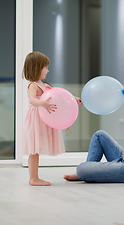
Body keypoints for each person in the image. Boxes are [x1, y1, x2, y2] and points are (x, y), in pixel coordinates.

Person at [22, 51, 82, 186]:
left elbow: (59, 95)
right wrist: (42, 103)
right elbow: (32, 99)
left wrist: (73, 99)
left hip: (43, 119)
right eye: (46, 68)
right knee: (34, 150)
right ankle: (33, 178)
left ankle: (34, 177)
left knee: (37, 149)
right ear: (37, 68)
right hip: (36, 118)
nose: (48, 71)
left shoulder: (44, 84)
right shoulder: (33, 85)